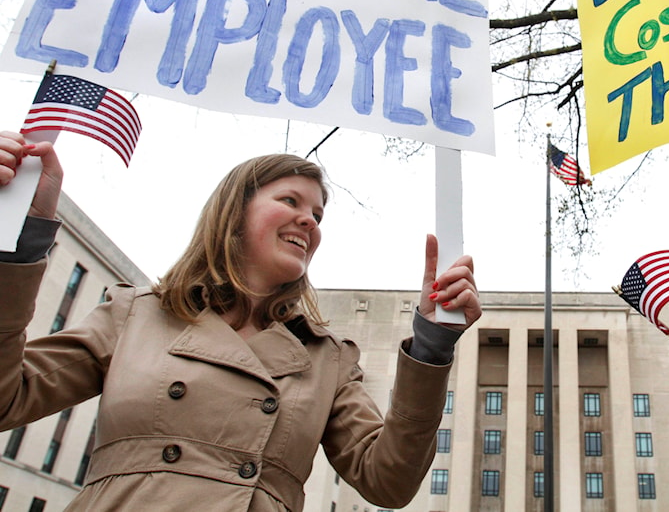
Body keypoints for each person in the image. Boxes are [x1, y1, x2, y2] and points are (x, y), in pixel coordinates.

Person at [0, 130, 482, 511]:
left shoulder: (326, 359)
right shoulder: (138, 314)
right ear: (234, 212)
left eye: (317, 213)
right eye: (291, 202)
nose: (311, 221)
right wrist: (21, 242)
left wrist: (431, 346)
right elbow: (8, 399)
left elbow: (388, 481)